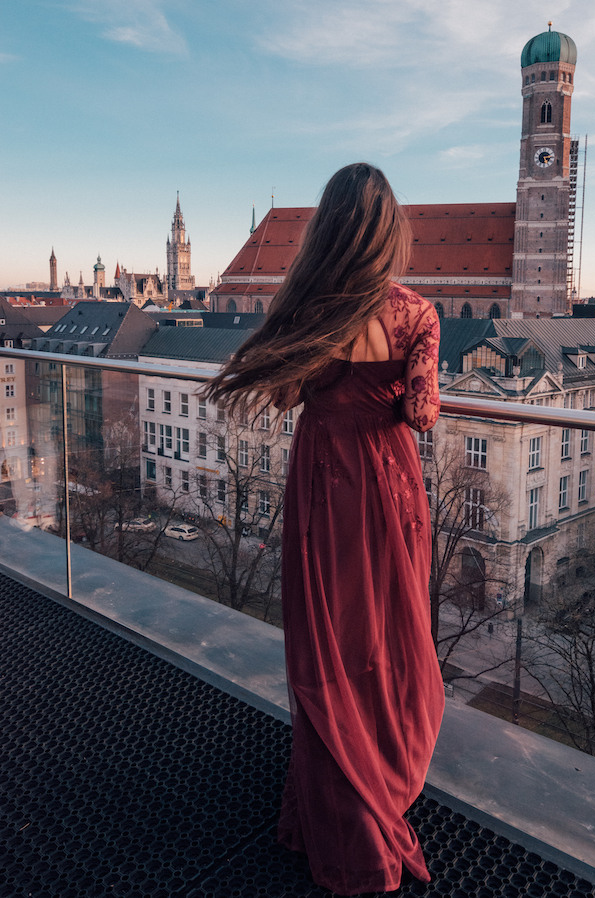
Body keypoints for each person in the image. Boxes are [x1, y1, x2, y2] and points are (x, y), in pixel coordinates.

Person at [205, 163, 444, 894]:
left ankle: (331, 807)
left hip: (324, 482)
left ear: (327, 231)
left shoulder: (306, 306)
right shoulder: (416, 314)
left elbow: (283, 395)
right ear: (389, 232)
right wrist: (405, 385)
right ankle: (386, 782)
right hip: (390, 482)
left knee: (330, 645)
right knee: (393, 638)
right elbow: (422, 413)